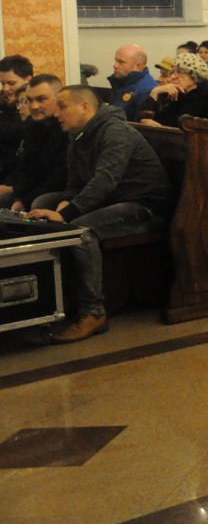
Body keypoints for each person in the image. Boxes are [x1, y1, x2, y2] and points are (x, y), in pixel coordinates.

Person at [26, 86, 172, 343]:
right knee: (42, 202)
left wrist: (67, 214)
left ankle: (93, 312)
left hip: (144, 205)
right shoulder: (78, 135)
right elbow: (75, 182)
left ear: (85, 107)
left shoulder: (115, 131)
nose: (57, 114)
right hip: (112, 202)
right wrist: (64, 204)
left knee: (80, 231)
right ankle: (59, 298)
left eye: (62, 107)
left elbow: (105, 181)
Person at [0, 74, 66, 211]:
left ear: (59, 98)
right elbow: (27, 168)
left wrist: (25, 200)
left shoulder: (67, 125)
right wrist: (18, 198)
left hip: (64, 188)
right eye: (29, 100)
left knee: (39, 203)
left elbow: (61, 176)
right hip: (36, 188)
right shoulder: (31, 125)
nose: (34, 106)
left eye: (42, 99)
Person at [146, 53, 208, 127]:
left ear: (194, 75)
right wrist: (155, 91)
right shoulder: (176, 94)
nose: (173, 76)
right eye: (172, 72)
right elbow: (146, 118)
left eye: (179, 72)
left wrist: (160, 127)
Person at [107, 45, 158, 120]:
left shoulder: (147, 90)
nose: (115, 65)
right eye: (115, 61)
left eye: (121, 62)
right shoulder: (122, 81)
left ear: (138, 66)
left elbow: (138, 124)